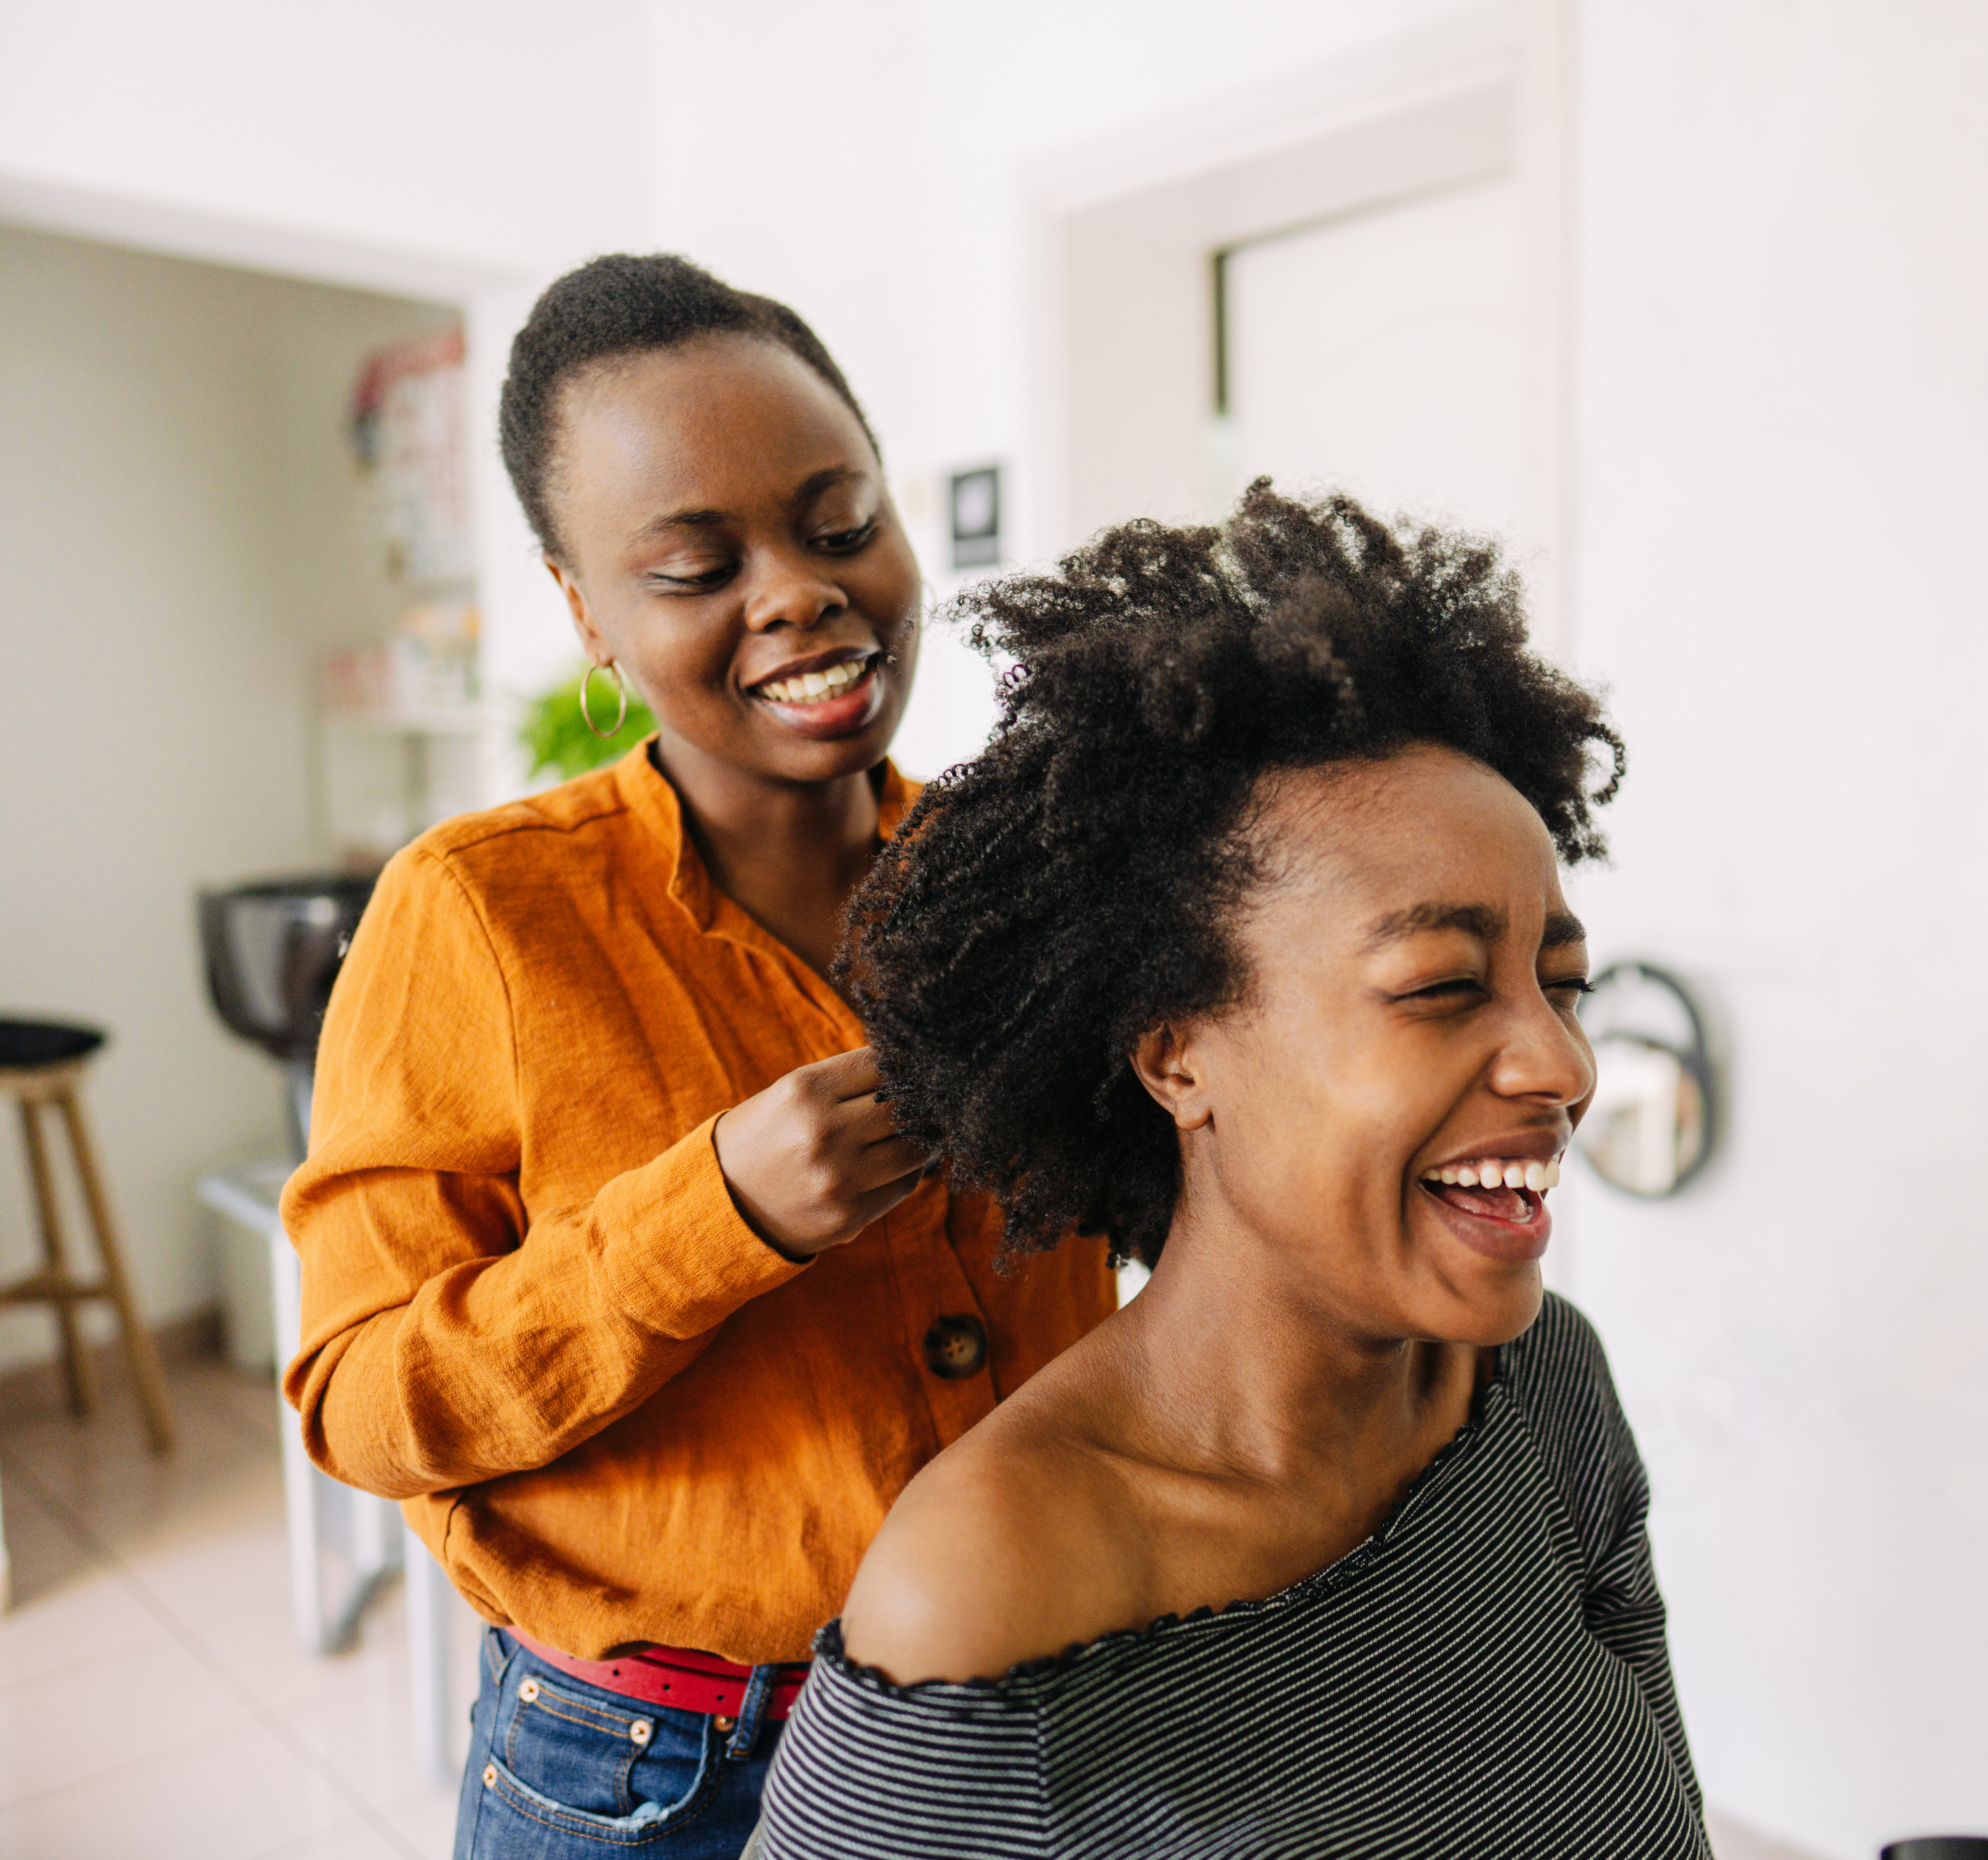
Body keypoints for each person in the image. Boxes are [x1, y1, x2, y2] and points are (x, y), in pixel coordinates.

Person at [281, 254, 1114, 1860]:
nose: (799, 590)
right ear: (587, 610)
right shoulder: (474, 916)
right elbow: (362, 1403)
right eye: (694, 564)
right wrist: (709, 1215)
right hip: (657, 1772)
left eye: (835, 519)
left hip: (1023, 1705)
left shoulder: (1030, 880)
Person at [753, 483, 1708, 1859]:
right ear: (1179, 1056)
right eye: (1441, 986)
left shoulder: (1544, 1383)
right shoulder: (990, 1583)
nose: (1558, 1064)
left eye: (1559, 984)